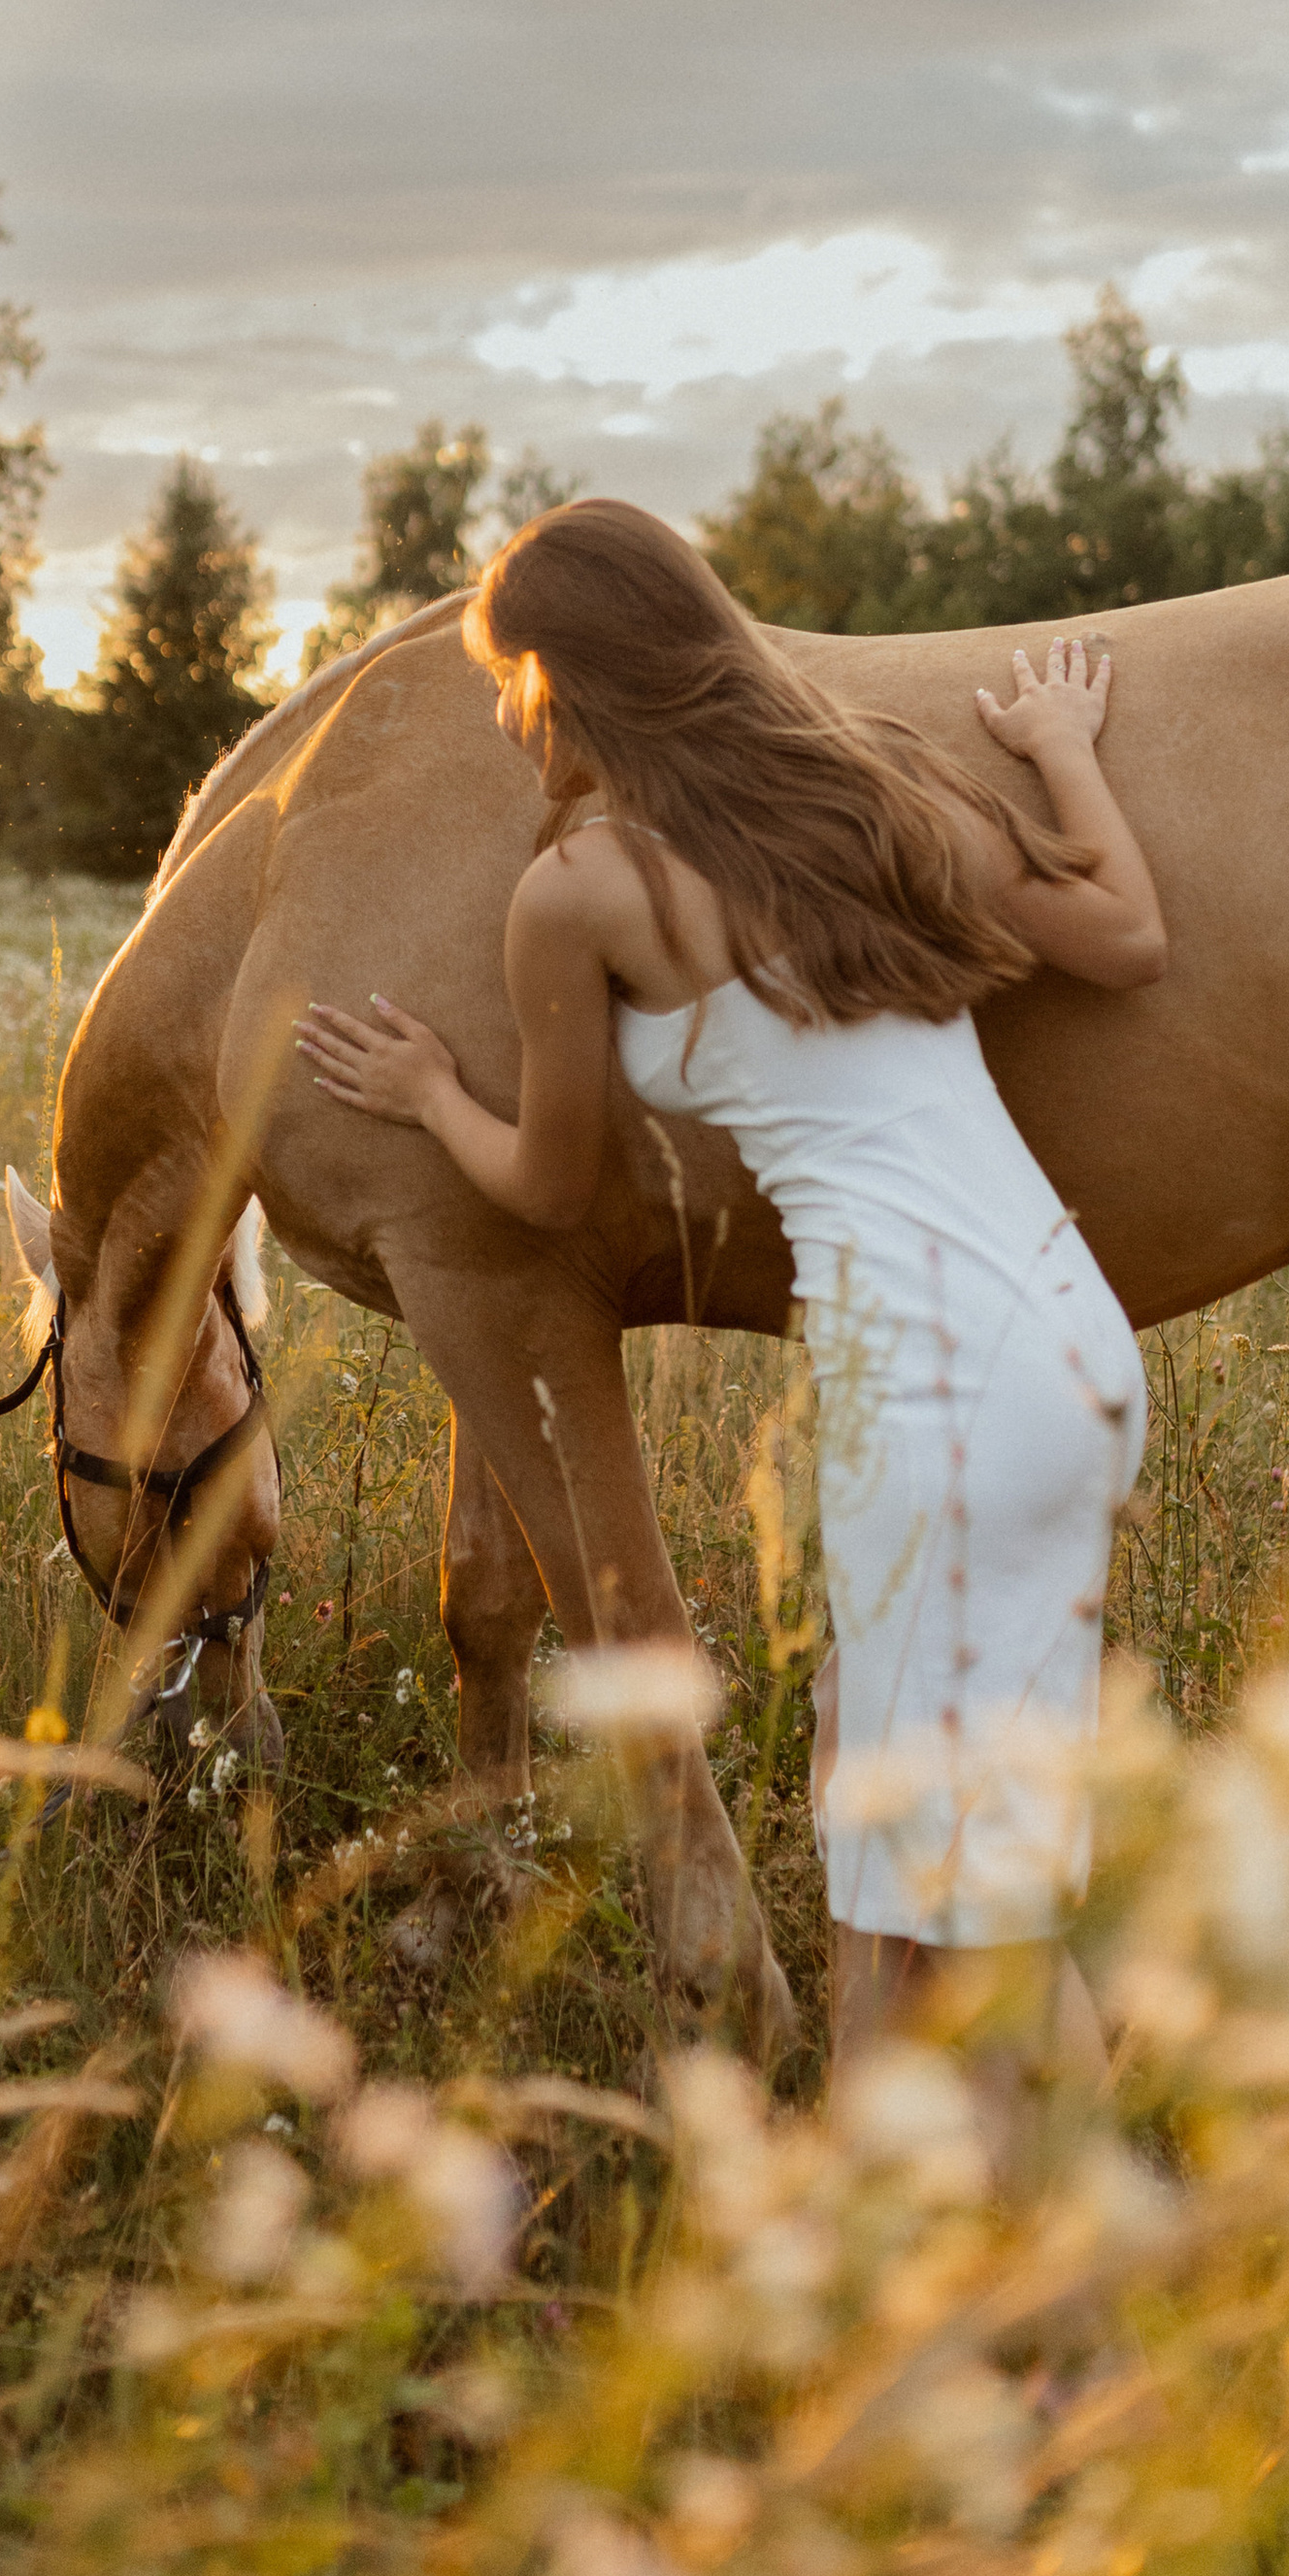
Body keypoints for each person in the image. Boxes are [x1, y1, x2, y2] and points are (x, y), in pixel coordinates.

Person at [298, 499, 1166, 2125]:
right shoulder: (880, 789)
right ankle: (1022, 2261)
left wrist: (427, 1093)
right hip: (1070, 1343)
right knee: (967, 1856)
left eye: (510, 680)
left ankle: (937, 2258)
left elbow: (548, 1190)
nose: (501, 714)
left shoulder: (585, 892)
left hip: (941, 1394)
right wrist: (1062, 754)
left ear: (571, 683)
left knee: (906, 1890)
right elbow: (1127, 933)